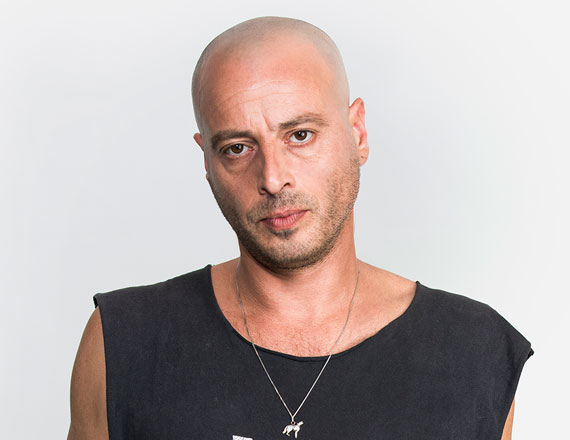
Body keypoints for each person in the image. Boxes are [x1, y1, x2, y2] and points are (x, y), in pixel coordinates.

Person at [68, 17, 533, 440]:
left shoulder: (475, 350)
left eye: (300, 135)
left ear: (357, 133)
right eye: (237, 148)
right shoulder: (123, 341)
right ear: (207, 161)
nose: (273, 179)